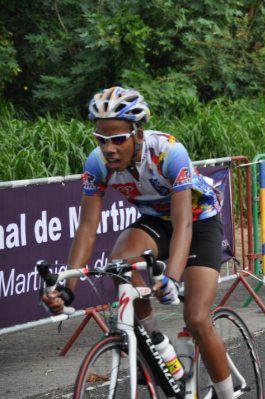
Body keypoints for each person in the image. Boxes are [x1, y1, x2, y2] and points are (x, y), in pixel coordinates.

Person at [41, 86, 234, 398]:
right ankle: (156, 342)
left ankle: (226, 393)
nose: (109, 149)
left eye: (118, 139)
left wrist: (171, 277)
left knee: (196, 317)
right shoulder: (97, 164)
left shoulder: (169, 152)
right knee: (120, 263)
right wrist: (67, 289)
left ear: (137, 134)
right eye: (101, 140)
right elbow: (87, 229)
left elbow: (184, 222)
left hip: (198, 222)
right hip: (156, 222)